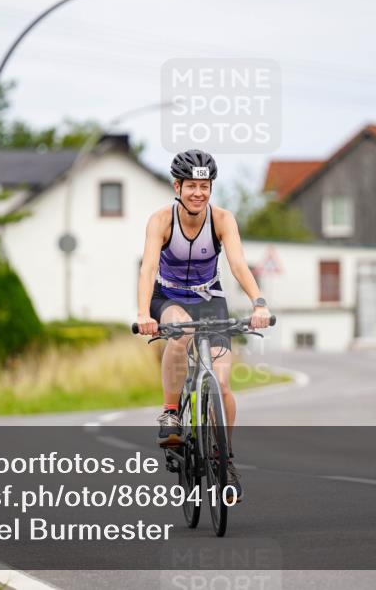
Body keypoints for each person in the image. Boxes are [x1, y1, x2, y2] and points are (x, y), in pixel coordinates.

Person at [135, 149, 272, 501]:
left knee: (223, 385)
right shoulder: (161, 220)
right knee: (179, 334)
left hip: (210, 299)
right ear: (177, 187)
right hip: (169, 299)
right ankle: (170, 414)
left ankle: (223, 461)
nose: (198, 192)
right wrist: (143, 314)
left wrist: (258, 301)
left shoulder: (223, 220)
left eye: (205, 186)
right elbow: (148, 268)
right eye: (191, 185)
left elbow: (239, 264)